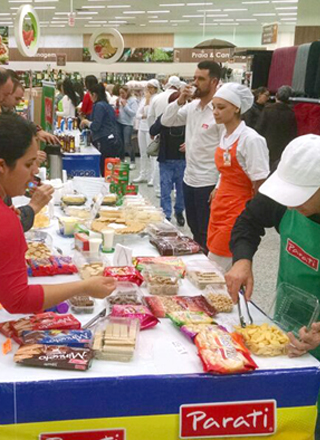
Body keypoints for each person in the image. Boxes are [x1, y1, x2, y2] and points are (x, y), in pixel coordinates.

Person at [225, 134, 320, 439]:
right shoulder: (287, 200)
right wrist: (242, 259)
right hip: (290, 318)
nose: (293, 203)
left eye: (303, 195)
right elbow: (248, 221)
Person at [0, 114, 116, 315]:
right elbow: (18, 299)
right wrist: (84, 287)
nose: (35, 171)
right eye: (28, 164)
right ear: (2, 166)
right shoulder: (6, 221)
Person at [207, 83, 270, 271]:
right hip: (221, 205)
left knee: (215, 266)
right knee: (219, 261)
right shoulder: (225, 135)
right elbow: (225, 170)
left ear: (236, 108)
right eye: (214, 107)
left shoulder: (251, 139)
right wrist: (217, 188)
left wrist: (254, 216)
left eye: (221, 107)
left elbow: (260, 179)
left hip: (238, 208)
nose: (215, 112)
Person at [161, 61, 223, 251]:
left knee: (207, 232)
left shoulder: (219, 111)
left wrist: (220, 184)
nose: (195, 83)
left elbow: (226, 148)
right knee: (195, 228)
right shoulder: (193, 107)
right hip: (190, 179)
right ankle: (201, 266)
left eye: (201, 79)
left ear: (214, 82)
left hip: (208, 182)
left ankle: (209, 269)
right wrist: (180, 100)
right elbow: (167, 120)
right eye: (194, 78)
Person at [150, 91, 186, 225]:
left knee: (181, 190)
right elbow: (153, 130)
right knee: (165, 188)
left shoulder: (188, 117)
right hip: (166, 159)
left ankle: (179, 211)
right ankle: (166, 215)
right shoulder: (164, 117)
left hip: (183, 159)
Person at [148, 76, 181, 195]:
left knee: (160, 161)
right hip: (179, 135)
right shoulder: (180, 97)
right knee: (179, 165)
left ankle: (159, 189)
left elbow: (150, 115)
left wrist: (152, 130)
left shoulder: (157, 98)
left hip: (161, 132)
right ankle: (177, 190)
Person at [80, 83, 120, 176]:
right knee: (109, 170)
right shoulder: (107, 105)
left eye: (90, 94)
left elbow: (96, 126)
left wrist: (86, 122)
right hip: (112, 139)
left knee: (104, 169)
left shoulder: (99, 106)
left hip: (104, 140)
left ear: (94, 94)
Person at [256, 85, 297, 170]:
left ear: (277, 95)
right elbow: (293, 134)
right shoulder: (291, 114)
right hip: (282, 150)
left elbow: (259, 129)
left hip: (266, 148)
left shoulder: (267, 110)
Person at [133, 79, 160, 184]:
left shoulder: (155, 99)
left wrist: (148, 102)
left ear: (155, 88)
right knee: (143, 152)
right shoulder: (143, 99)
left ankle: (153, 177)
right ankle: (143, 174)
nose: (148, 89)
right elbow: (138, 114)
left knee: (152, 153)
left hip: (151, 129)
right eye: (147, 87)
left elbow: (149, 113)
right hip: (142, 128)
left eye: (151, 87)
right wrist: (143, 114)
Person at [116, 85, 138, 169]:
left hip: (128, 124)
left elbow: (133, 113)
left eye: (123, 93)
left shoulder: (133, 101)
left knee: (127, 143)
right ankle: (122, 159)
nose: (121, 95)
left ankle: (132, 160)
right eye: (120, 93)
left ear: (127, 92)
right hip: (119, 122)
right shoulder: (120, 99)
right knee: (120, 142)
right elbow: (118, 111)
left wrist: (125, 105)